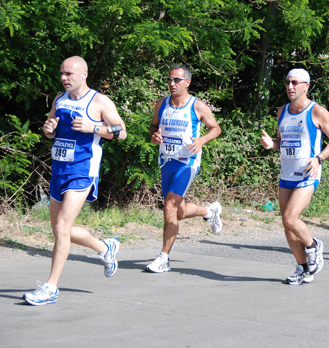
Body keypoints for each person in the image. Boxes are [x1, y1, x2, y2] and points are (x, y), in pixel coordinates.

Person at [24, 56, 127, 306]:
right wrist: (48, 130)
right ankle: (104, 248)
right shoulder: (59, 100)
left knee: (61, 227)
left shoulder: (99, 101)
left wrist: (93, 127)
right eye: (61, 73)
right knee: (60, 230)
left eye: (69, 74)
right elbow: (51, 130)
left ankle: (50, 288)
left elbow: (121, 132)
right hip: (59, 169)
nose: (63, 78)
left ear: (84, 74)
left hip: (83, 169)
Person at [260, 68, 329, 285]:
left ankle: (314, 246)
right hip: (287, 174)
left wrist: (319, 158)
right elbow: (282, 142)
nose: (290, 87)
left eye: (295, 83)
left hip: (307, 174)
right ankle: (303, 267)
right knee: (287, 225)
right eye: (288, 82)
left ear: (306, 86)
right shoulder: (282, 112)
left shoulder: (317, 112)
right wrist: (271, 145)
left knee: (290, 218)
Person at [146, 64, 222, 273]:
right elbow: (153, 127)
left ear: (187, 82)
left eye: (176, 80)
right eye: (169, 79)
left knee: (169, 207)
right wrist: (154, 136)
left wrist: (202, 141)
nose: (172, 83)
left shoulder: (197, 106)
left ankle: (164, 258)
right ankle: (209, 211)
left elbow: (216, 128)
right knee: (177, 212)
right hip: (167, 161)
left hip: (187, 162)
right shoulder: (162, 104)